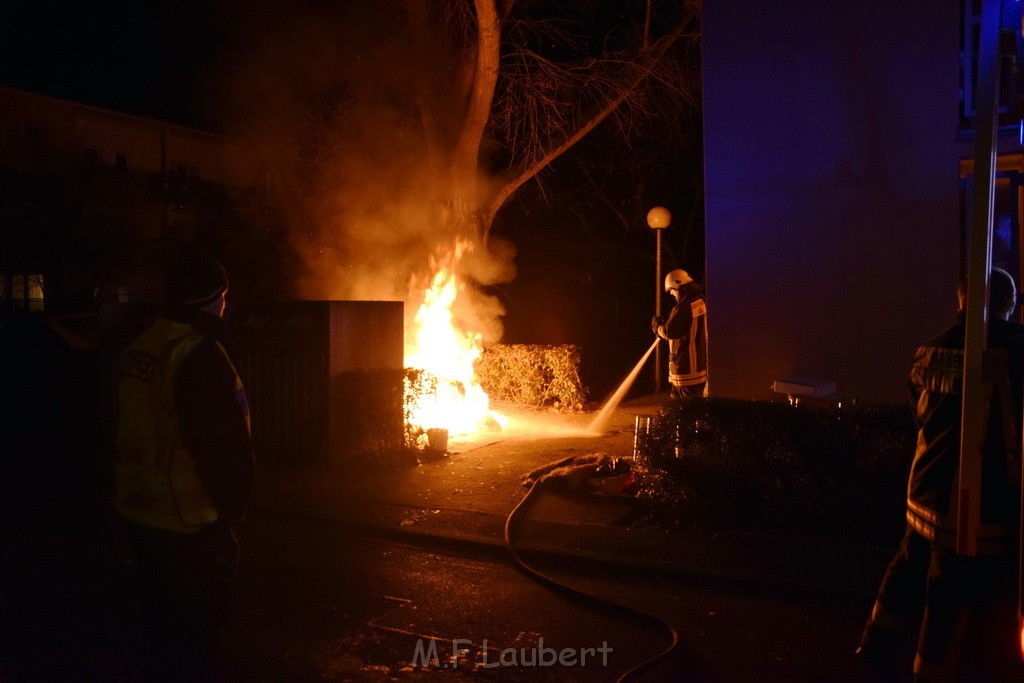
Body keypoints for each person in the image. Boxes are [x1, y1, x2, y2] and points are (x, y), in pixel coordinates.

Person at [856, 268, 1024, 682]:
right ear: (1011, 304)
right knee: (950, 595)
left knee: (906, 572)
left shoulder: (927, 352)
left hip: (924, 491)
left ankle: (874, 648)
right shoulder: (1017, 350)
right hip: (979, 502)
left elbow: (920, 414)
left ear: (961, 300)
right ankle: (929, 673)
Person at [111, 249, 254, 681]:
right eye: (223, 294)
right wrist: (231, 511)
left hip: (139, 515)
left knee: (158, 631)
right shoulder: (198, 354)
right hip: (190, 523)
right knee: (195, 638)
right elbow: (221, 447)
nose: (226, 303)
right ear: (213, 297)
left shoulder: (142, 344)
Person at [652, 268, 708, 398]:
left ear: (679, 287)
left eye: (672, 290)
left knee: (682, 410)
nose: (672, 294)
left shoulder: (684, 306)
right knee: (691, 408)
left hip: (685, 370)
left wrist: (656, 325)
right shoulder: (700, 300)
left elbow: (668, 332)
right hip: (698, 368)